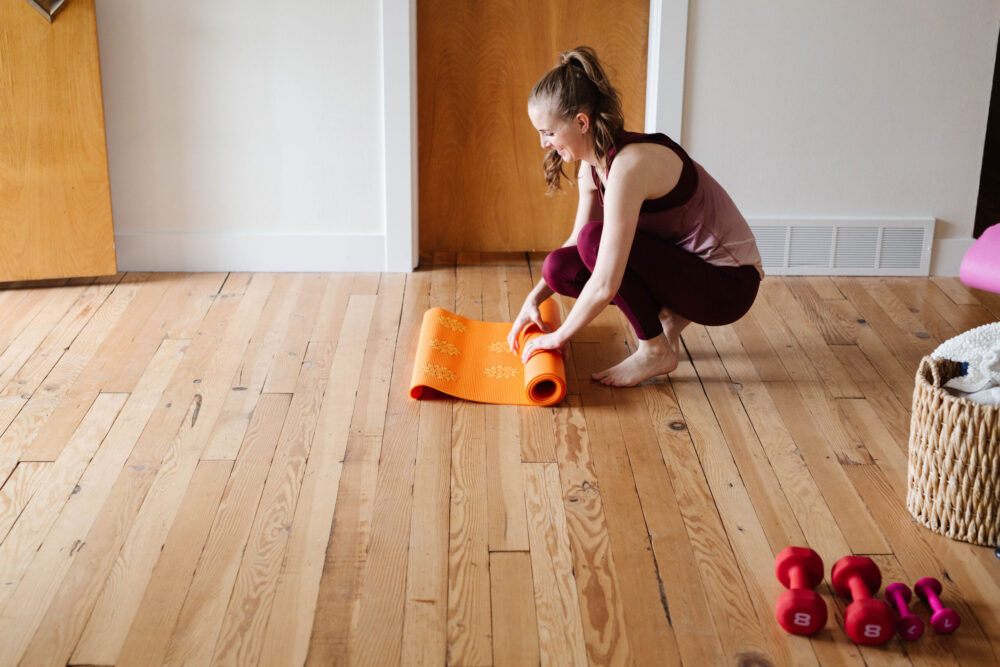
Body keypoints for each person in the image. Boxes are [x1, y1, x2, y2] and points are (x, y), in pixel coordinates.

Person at [507, 46, 764, 387]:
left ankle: (655, 349)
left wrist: (558, 337)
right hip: (690, 271)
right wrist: (534, 298)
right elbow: (575, 245)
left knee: (594, 242)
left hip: (729, 286)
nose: (543, 144)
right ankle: (669, 319)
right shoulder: (593, 165)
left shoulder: (629, 167)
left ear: (581, 122)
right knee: (559, 267)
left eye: (548, 133)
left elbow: (605, 280)